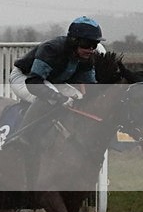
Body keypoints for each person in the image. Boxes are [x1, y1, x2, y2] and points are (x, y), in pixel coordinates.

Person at [9, 16, 104, 145]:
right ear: (73, 41)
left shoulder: (88, 57)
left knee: (79, 97)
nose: (91, 49)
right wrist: (58, 97)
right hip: (25, 77)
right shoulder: (51, 49)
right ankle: (20, 139)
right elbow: (34, 83)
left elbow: (91, 88)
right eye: (87, 44)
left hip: (52, 81)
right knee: (51, 99)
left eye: (94, 45)